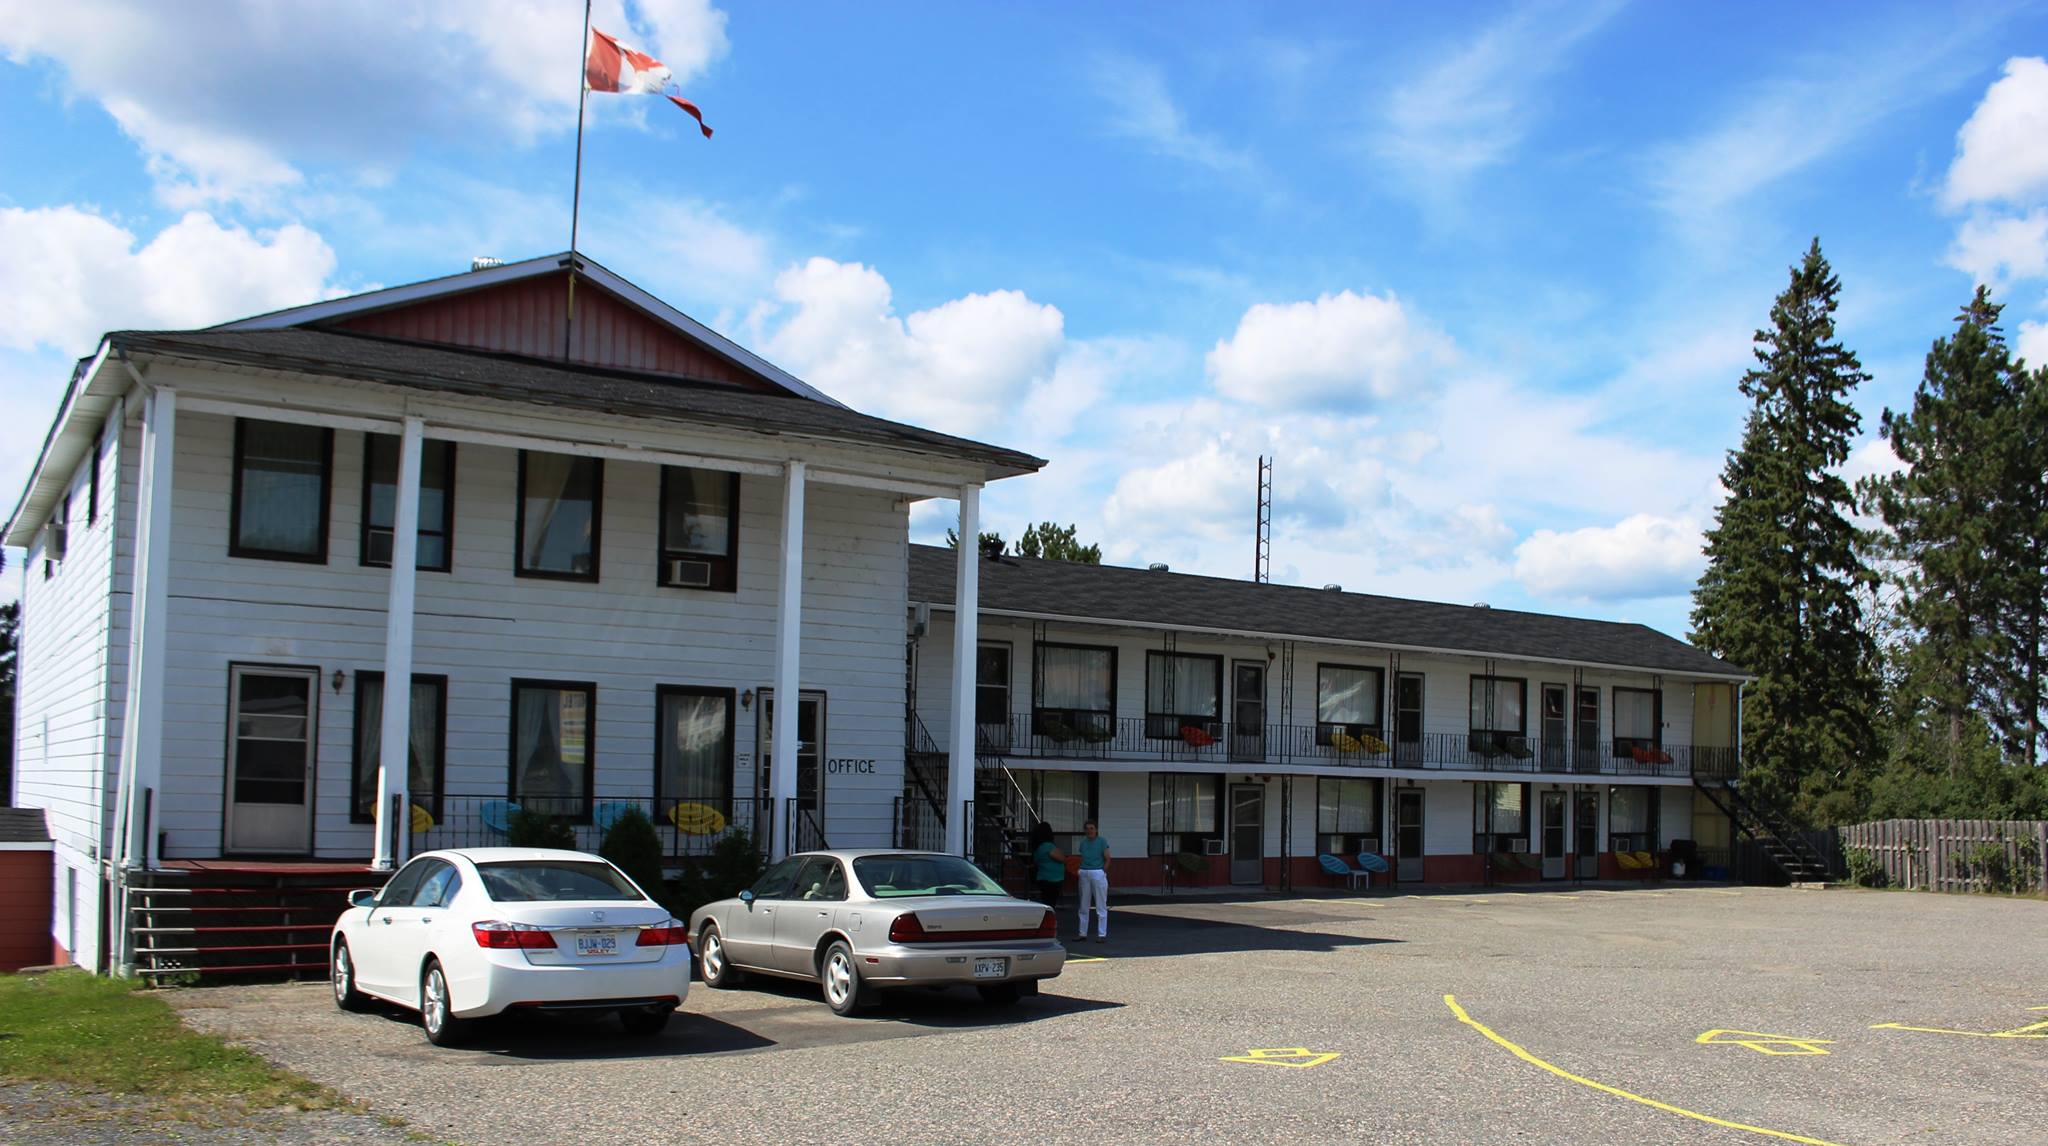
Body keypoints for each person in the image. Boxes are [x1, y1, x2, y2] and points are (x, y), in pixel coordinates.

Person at [1075, 820, 1111, 943]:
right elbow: (1082, 857)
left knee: (1100, 904)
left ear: (1096, 830)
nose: (1089, 831)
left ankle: (1102, 934)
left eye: (1091, 828)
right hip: (1085, 872)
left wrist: (1102, 872)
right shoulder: (1083, 843)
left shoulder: (1102, 841)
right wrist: (1080, 869)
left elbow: (1107, 858)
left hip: (1097, 872)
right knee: (1083, 905)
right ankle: (1082, 933)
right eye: (1087, 828)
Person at [1028, 821, 1065, 909]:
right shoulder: (1048, 846)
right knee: (1051, 903)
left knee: (1046, 901)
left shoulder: (1037, 848)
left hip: (1043, 878)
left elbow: (1036, 861)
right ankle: (1049, 920)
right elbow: (1062, 858)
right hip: (1053, 879)